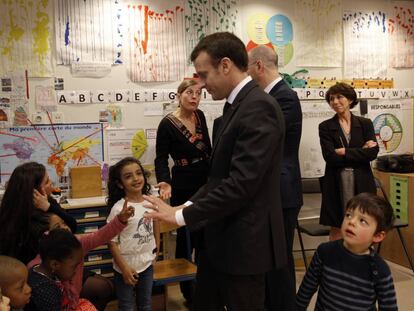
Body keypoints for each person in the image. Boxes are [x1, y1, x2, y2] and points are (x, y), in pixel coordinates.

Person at [143, 32, 287, 311]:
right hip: (221, 238)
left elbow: (240, 184)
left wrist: (181, 215)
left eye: (203, 74)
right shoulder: (234, 108)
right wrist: (183, 206)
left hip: (244, 243)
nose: (201, 84)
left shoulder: (258, 108)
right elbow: (218, 177)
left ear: (225, 65)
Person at [247, 45, 302, 311]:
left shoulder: (285, 97)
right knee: (268, 258)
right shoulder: (269, 95)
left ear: (258, 65)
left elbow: (268, 141)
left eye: (247, 67)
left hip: (282, 190)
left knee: (279, 260)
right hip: (269, 190)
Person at [154, 79, 211, 303]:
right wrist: (165, 182)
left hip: (205, 178)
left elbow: (209, 148)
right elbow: (161, 158)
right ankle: (189, 292)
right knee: (187, 237)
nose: (194, 97)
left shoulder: (201, 117)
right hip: (184, 181)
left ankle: (207, 286)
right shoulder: (167, 124)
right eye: (189, 92)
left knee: (207, 236)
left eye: (198, 93)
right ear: (179, 95)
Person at [296, 192, 398, 310]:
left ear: (378, 236)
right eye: (349, 215)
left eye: (362, 221)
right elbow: (306, 290)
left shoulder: (379, 269)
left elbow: (389, 307)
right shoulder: (325, 252)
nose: (352, 222)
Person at [27, 203, 134, 311]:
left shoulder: (77, 242)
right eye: (57, 227)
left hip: (72, 302)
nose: (65, 228)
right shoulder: (38, 275)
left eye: (64, 223)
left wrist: (120, 220)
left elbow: (99, 236)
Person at [319, 82, 379, 240]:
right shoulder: (325, 126)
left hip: (362, 180)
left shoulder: (365, 124)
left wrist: (345, 151)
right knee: (338, 226)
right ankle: (336, 264)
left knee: (365, 224)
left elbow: (373, 153)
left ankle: (363, 263)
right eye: (331, 99)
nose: (335, 102)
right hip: (336, 181)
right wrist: (361, 152)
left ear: (351, 99)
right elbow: (330, 157)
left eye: (340, 97)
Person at [106, 157, 160, 311]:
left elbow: (156, 223)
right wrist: (123, 268)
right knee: (127, 306)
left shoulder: (150, 201)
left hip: (147, 263)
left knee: (146, 304)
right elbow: (112, 241)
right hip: (125, 265)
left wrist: (156, 251)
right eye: (128, 176)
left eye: (138, 173)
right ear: (119, 183)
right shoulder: (118, 209)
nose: (136, 179)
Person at [0, 162, 76, 265]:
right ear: (35, 192)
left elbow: (73, 225)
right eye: (47, 181)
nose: (51, 183)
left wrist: (48, 207)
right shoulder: (21, 216)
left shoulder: (48, 203)